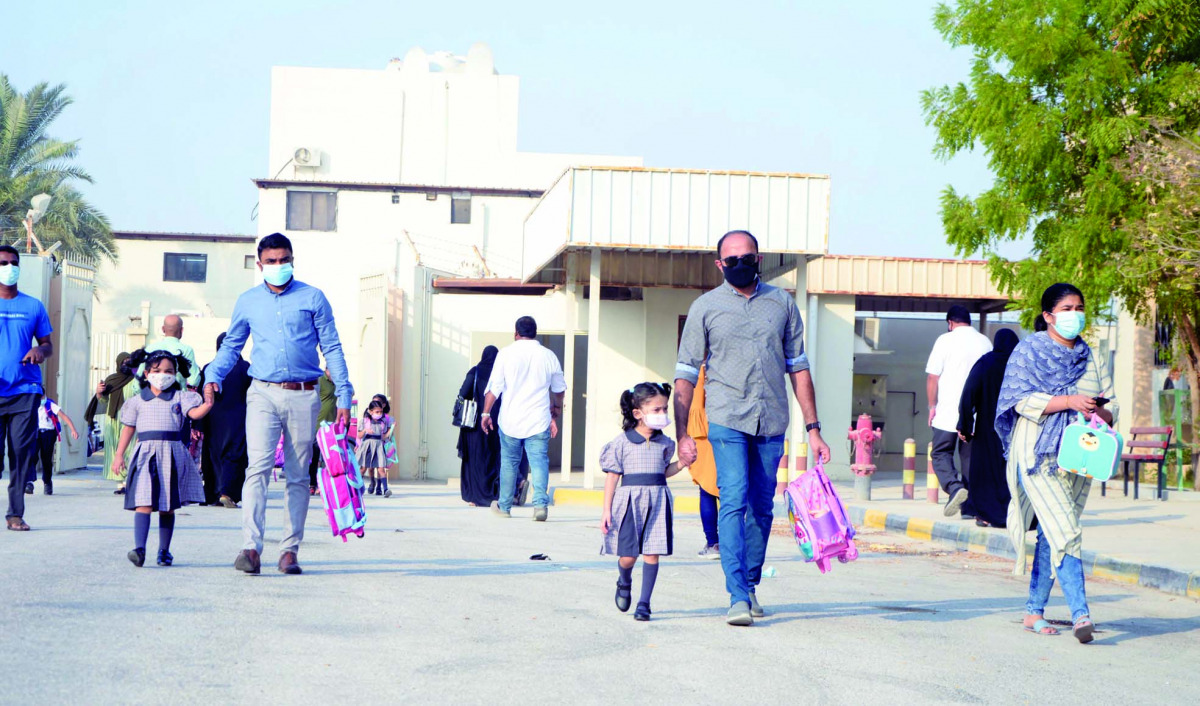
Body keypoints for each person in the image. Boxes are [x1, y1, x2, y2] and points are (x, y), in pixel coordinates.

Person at [674, 230, 830, 626]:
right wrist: (682, 434)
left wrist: (813, 429)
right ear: (719, 264)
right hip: (726, 417)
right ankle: (737, 597)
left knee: (762, 506)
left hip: (772, 419)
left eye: (748, 257)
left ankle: (751, 582)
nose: (740, 264)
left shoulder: (782, 304)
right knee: (734, 499)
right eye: (732, 259)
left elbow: (798, 366)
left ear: (759, 259)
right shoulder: (705, 307)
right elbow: (686, 373)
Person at [205, 233, 353, 576]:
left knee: (299, 476)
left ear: (292, 261)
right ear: (260, 265)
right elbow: (232, 345)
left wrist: (344, 393)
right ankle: (251, 548)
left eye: (283, 260)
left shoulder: (313, 297)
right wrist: (214, 373)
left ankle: (289, 551)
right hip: (262, 393)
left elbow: (331, 347)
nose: (277, 266)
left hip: (304, 393)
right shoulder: (248, 301)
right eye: (270, 261)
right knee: (257, 468)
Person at [995, 283, 1116, 644]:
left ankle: (1034, 611)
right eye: (1066, 308)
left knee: (1053, 532)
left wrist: (1097, 408)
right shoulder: (1029, 350)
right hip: (1037, 453)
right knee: (1067, 531)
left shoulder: (1089, 355)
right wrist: (1068, 401)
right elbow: (1018, 401)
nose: (1074, 314)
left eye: (1079, 307)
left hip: (1080, 454)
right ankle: (1081, 615)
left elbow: (1111, 409)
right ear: (1048, 315)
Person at [112, 349, 214, 567]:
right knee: (143, 502)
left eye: (169, 371)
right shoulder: (137, 401)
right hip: (145, 455)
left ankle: (164, 551)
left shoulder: (180, 397)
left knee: (167, 505)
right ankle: (139, 548)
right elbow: (128, 430)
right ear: (147, 373)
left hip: (171, 453)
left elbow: (194, 414)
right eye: (157, 370)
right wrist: (119, 455)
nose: (163, 375)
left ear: (175, 374)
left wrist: (207, 404)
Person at [601, 382, 682, 622]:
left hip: (658, 500)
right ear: (638, 413)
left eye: (665, 409)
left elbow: (664, 471)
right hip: (629, 503)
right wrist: (606, 510)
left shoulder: (666, 443)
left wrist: (684, 463)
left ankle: (644, 603)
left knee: (652, 552)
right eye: (656, 410)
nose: (662, 414)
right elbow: (613, 476)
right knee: (628, 556)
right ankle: (624, 580)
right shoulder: (621, 443)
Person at [480, 316, 566, 521]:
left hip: (510, 420)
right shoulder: (548, 355)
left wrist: (485, 413)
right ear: (534, 332)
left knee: (509, 463)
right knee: (538, 462)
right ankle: (540, 507)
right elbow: (559, 389)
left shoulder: (506, 354)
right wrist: (556, 407)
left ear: (516, 333)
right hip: (538, 420)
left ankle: (505, 506)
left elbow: (494, 388)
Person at [1, 245, 54, 532]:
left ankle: (15, 514)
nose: (8, 267)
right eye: (2, 263)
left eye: (13, 262)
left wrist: (38, 351)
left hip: (25, 390)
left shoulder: (33, 306)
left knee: (21, 454)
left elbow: (49, 345)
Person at [926, 304, 993, 518]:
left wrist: (931, 406)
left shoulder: (944, 340)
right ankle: (970, 508)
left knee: (940, 453)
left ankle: (954, 488)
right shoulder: (984, 341)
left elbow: (932, 377)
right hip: (975, 414)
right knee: (970, 459)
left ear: (950, 323)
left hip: (947, 412)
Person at [956, 329, 1020, 528]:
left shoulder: (986, 363)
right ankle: (1015, 515)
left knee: (985, 472)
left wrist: (965, 426)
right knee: (1011, 471)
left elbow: (968, 394)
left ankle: (985, 515)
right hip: (1017, 427)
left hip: (988, 428)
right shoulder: (1020, 364)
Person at [199, 333, 251, 508]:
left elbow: (201, 397)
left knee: (213, 457)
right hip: (238, 420)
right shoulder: (245, 368)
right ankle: (227, 492)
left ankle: (212, 494)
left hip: (213, 420)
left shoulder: (209, 367)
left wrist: (197, 425)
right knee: (234, 456)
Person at [456, 346, 502, 507]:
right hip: (496, 422)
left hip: (474, 423)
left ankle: (475, 497)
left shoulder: (475, 372)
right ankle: (494, 495)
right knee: (493, 458)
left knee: (475, 459)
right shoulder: (500, 374)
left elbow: (463, 392)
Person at [93, 353, 141, 495]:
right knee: (114, 449)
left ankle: (128, 481)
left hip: (131, 420)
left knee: (130, 448)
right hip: (113, 419)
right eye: (123, 362)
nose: (126, 365)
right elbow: (104, 402)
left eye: (128, 362)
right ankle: (120, 483)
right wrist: (99, 393)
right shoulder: (111, 380)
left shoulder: (136, 380)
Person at [688, 365, 720, 559]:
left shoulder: (703, 369)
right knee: (729, 491)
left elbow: (696, 406)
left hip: (705, 434)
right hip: (730, 431)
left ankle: (713, 544)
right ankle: (730, 543)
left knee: (707, 490)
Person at [26, 395, 79, 495]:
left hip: (48, 434)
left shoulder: (50, 405)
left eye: (42, 398)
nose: (41, 400)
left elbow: (64, 417)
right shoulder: (31, 405)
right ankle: (29, 482)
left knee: (46, 459)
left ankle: (47, 483)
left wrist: (73, 430)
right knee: (31, 457)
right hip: (35, 433)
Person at [145, 314, 200, 388]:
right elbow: (193, 380)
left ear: (163, 329)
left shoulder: (150, 348)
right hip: (178, 396)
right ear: (181, 330)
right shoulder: (187, 350)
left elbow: (138, 381)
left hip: (153, 395)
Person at [308, 369, 337, 495]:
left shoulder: (337, 381)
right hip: (317, 424)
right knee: (314, 456)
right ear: (327, 370)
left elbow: (350, 391)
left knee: (329, 457)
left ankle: (325, 485)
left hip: (331, 426)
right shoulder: (320, 380)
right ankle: (312, 484)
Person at [357, 398, 393, 497]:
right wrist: (365, 430)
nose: (379, 413)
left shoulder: (383, 422)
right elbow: (359, 435)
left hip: (378, 446)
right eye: (377, 412)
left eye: (380, 412)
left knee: (381, 468)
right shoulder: (364, 421)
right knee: (363, 468)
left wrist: (390, 431)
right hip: (367, 446)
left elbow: (384, 436)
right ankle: (358, 487)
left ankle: (385, 489)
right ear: (370, 411)